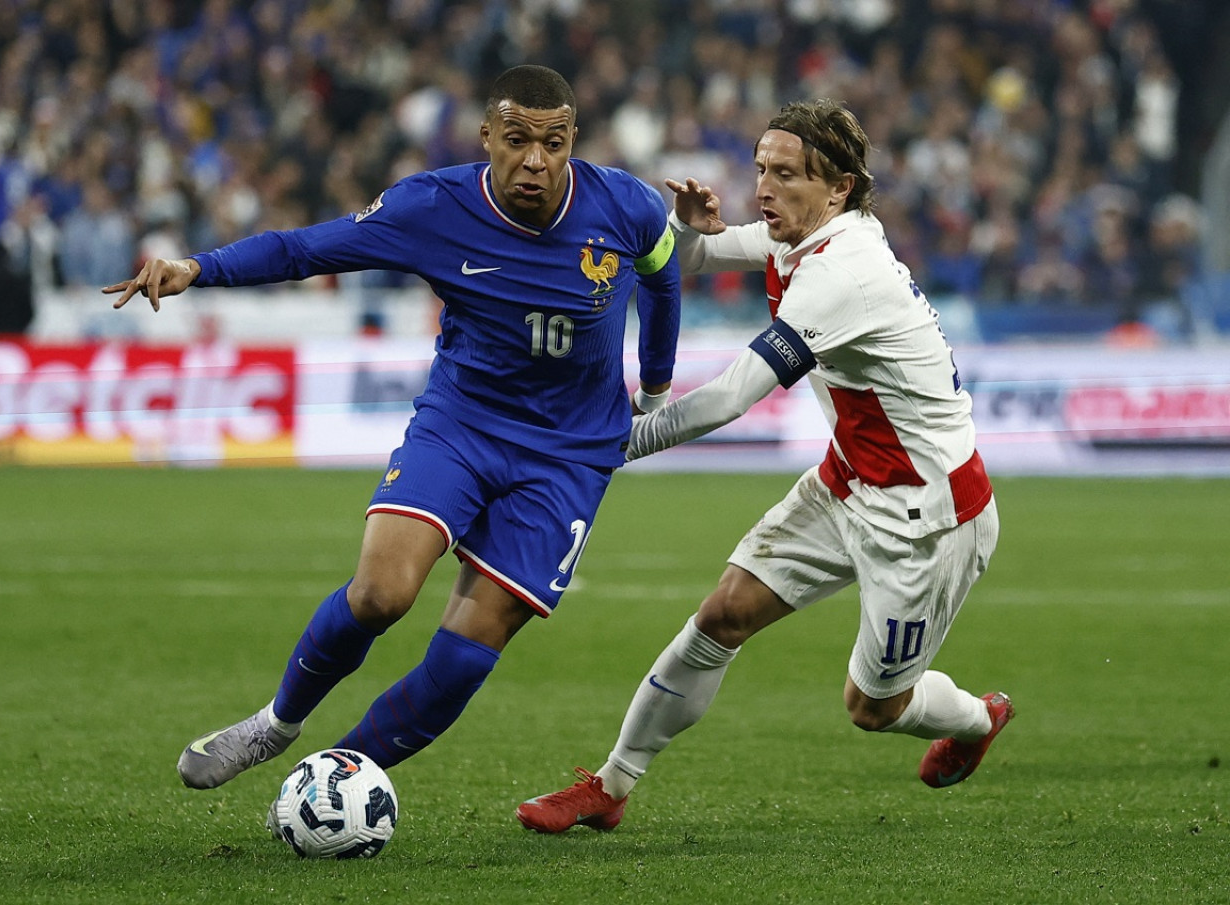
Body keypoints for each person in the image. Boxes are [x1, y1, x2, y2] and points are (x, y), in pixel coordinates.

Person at [104, 65, 681, 789]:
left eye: (554, 144)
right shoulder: (432, 208)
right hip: (464, 423)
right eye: (517, 141)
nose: (535, 160)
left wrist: (655, 387)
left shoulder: (627, 206)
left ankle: (336, 775)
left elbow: (663, 279)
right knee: (381, 593)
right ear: (486, 138)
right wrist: (200, 266)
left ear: (573, 143)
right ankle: (276, 722)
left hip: (569, 454)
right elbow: (305, 248)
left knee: (466, 653)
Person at [516, 99, 1010, 834]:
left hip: (926, 516)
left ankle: (976, 718)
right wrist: (684, 225)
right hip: (847, 481)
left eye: (784, 174)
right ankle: (611, 785)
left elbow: (725, 401)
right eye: (759, 170)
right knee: (722, 614)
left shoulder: (845, 270)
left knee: (873, 706)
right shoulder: (801, 238)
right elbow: (695, 256)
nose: (763, 190)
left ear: (838, 187)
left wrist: (609, 444)